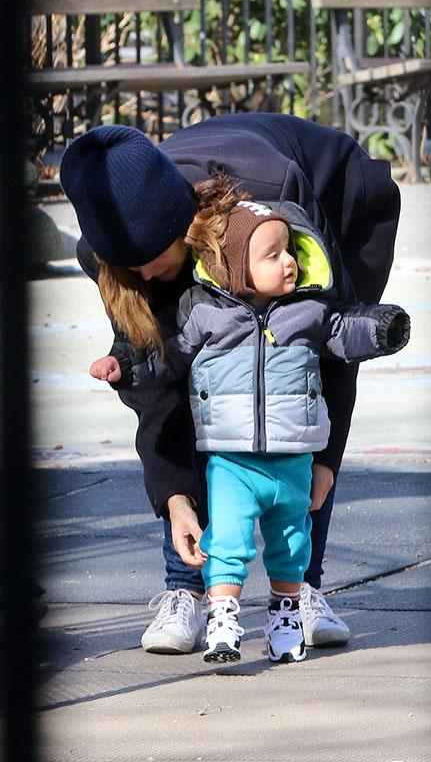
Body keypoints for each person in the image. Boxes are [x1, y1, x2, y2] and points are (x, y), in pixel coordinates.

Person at [59, 115, 401, 654]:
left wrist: (326, 461)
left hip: (339, 196)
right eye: (131, 267)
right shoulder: (113, 255)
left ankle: (305, 585)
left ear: (180, 225)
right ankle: (186, 589)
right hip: (206, 221)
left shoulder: (273, 194)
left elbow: (329, 356)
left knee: (291, 361)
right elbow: (158, 387)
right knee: (199, 370)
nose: (145, 276)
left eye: (151, 260)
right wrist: (174, 498)